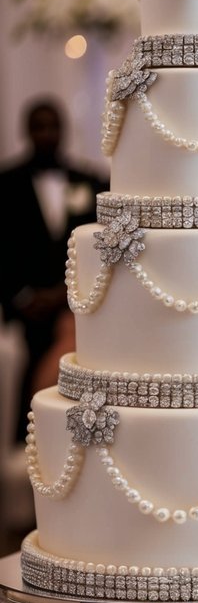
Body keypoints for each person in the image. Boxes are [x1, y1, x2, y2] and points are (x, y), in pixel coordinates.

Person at [0, 99, 107, 436]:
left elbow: (101, 244)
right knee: (31, 380)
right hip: (28, 308)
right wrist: (21, 297)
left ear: (64, 130)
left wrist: (66, 294)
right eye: (39, 126)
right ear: (26, 130)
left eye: (53, 125)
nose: (47, 133)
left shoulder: (90, 180)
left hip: (77, 304)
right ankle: (27, 442)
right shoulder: (6, 183)